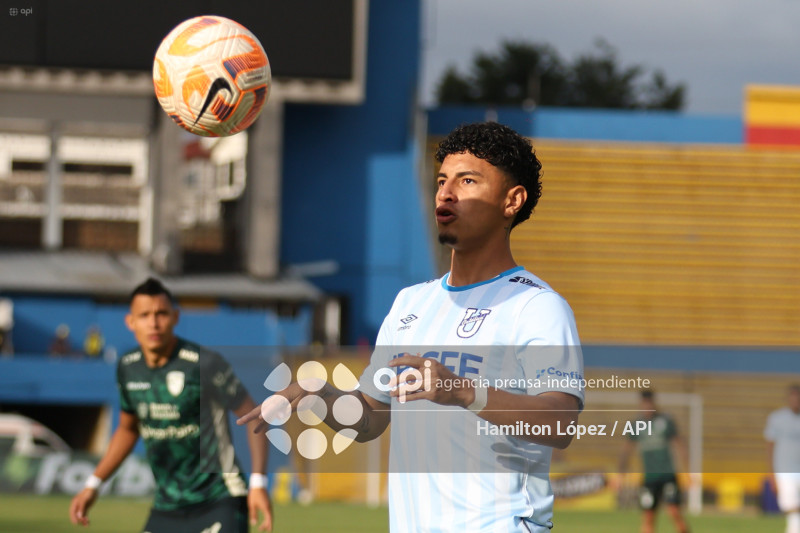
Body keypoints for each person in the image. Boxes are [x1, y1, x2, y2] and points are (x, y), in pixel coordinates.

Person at [239, 122, 584, 532]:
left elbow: (560, 423)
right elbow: (369, 418)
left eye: (467, 180)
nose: (446, 193)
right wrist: (319, 394)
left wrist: (460, 390)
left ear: (512, 200)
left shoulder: (536, 306)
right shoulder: (411, 304)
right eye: (441, 181)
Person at [69, 277, 272, 532]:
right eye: (144, 315)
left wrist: (258, 483)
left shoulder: (205, 364)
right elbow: (128, 429)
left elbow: (255, 416)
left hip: (220, 499)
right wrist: (93, 484)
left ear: (175, 317)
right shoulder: (128, 367)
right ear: (130, 322)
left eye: (161, 313)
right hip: (167, 506)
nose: (154, 323)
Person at [618, 390, 690, 533]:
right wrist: (621, 473)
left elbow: (679, 444)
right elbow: (627, 449)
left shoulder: (665, 421)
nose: (647, 406)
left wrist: (688, 471)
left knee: (674, 512)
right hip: (649, 478)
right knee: (648, 516)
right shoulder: (637, 424)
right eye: (644, 403)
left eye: (649, 403)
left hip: (667, 475)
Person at [765, 384, 800, 533]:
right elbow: (769, 445)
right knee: (790, 505)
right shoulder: (777, 418)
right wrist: (771, 473)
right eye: (793, 397)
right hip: (785, 470)